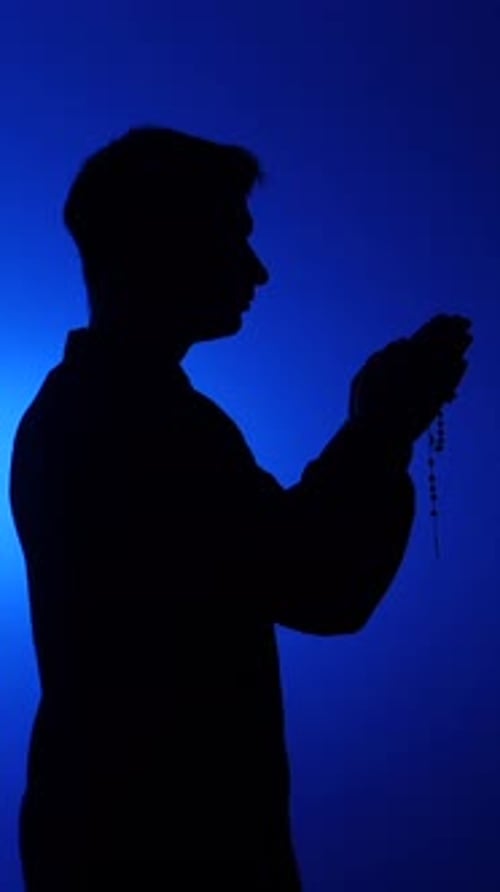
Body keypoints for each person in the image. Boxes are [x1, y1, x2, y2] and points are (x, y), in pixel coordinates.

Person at [9, 125, 473, 891]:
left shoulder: (118, 411)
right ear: (162, 240)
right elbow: (321, 582)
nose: (256, 270)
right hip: (165, 852)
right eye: (233, 234)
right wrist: (380, 427)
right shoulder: (132, 419)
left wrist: (377, 431)